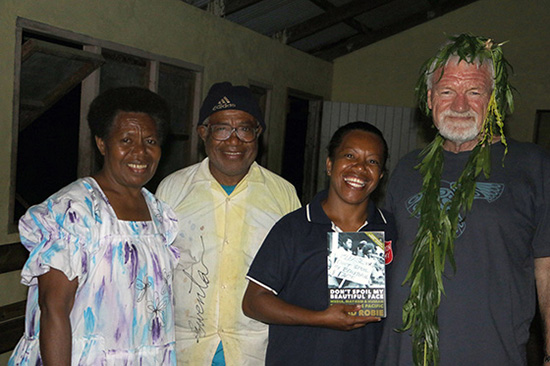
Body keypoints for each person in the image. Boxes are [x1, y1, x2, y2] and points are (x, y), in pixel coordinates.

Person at [375, 33, 550, 366]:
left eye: (474, 92)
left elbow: (548, 269)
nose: (459, 106)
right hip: (400, 356)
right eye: (447, 92)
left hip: (490, 355)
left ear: (493, 98)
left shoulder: (534, 166)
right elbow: (383, 254)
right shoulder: (407, 167)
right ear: (429, 99)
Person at [8, 87, 180, 366]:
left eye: (150, 140)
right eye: (126, 140)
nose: (140, 152)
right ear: (102, 144)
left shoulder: (159, 214)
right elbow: (53, 310)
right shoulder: (74, 211)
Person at [155, 82, 300, 365]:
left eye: (244, 129)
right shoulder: (172, 190)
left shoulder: (282, 195)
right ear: (203, 133)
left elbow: (294, 277)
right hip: (185, 350)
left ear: (258, 134)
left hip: (255, 351)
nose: (234, 141)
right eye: (222, 129)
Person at [242, 121, 397, 365]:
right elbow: (253, 302)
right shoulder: (295, 227)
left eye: (372, 161)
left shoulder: (392, 229)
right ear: (329, 164)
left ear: (381, 175)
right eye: (349, 156)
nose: (360, 168)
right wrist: (320, 318)